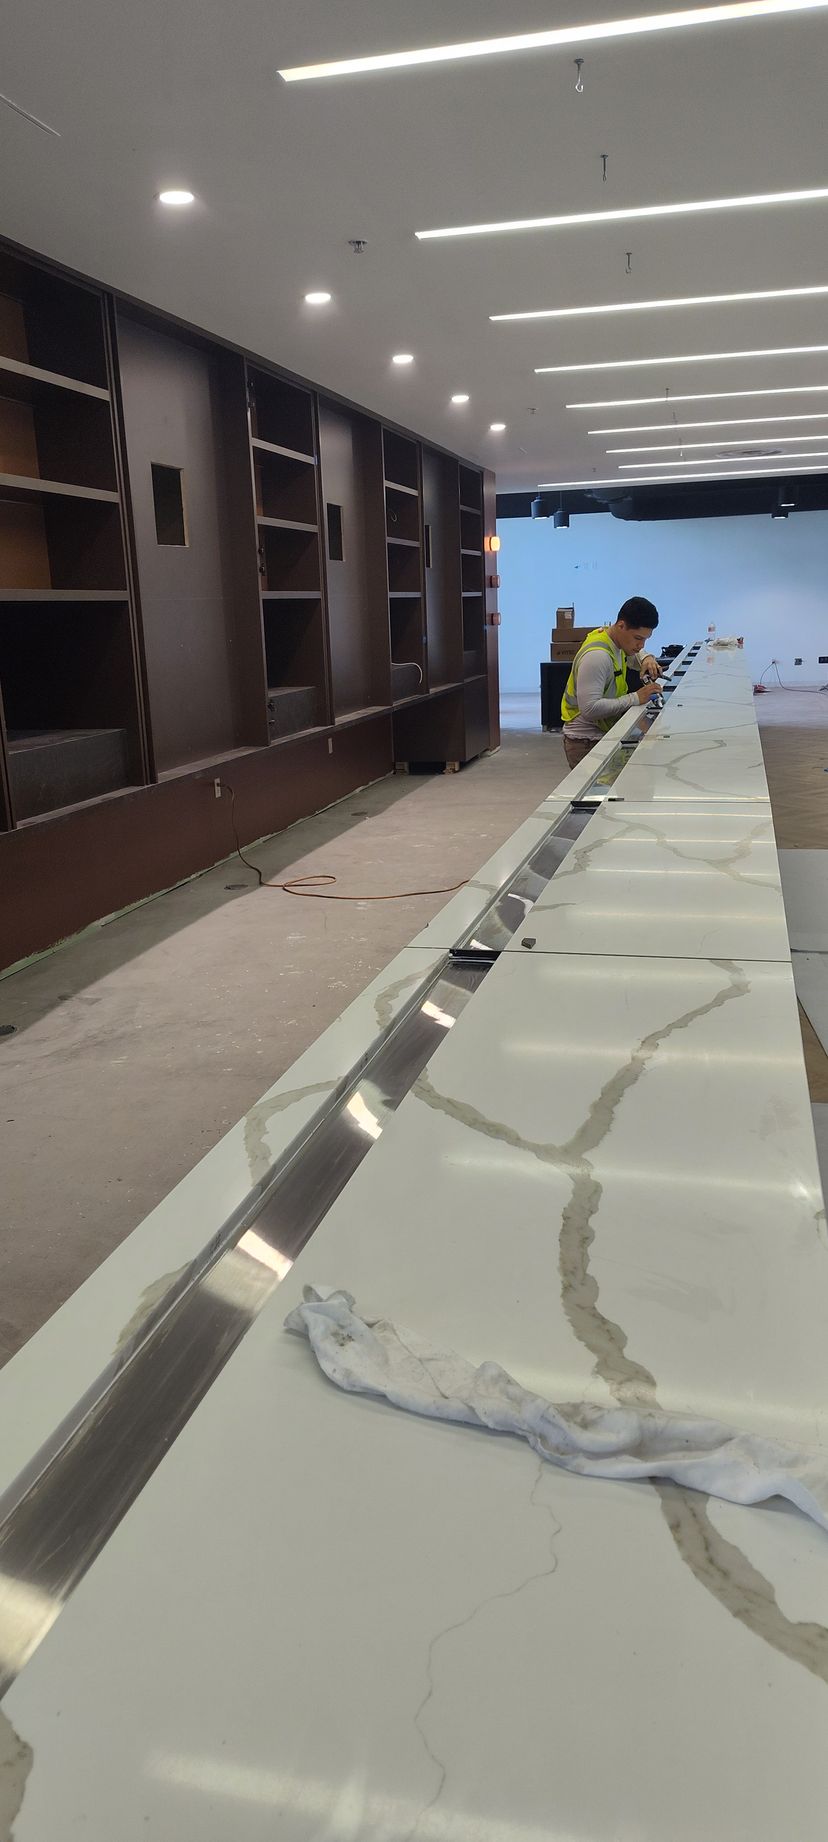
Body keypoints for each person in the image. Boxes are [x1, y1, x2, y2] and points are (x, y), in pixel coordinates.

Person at [560, 596, 662, 771]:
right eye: (638, 638)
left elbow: (634, 656)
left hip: (600, 734)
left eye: (645, 639)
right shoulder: (598, 656)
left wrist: (647, 657)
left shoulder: (615, 641)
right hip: (585, 742)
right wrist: (636, 698)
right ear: (621, 625)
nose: (640, 644)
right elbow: (590, 709)